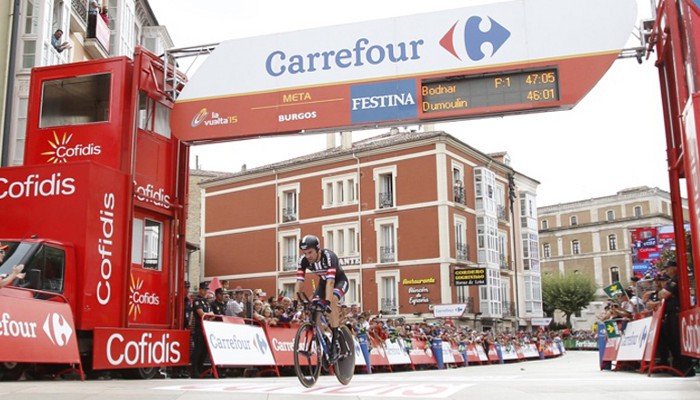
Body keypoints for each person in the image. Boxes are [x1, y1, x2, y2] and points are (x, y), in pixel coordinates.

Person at [294, 234, 349, 361]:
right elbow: (299, 282)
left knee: (333, 301)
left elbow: (331, 282)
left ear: (318, 249)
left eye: (310, 252)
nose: (308, 256)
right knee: (314, 309)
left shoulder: (329, 256)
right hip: (324, 283)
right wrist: (295, 301)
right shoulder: (303, 260)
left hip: (339, 281)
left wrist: (328, 302)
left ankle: (335, 339)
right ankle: (324, 339)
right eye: (305, 253)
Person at [656, 260, 696, 376]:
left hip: (676, 314)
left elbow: (664, 294)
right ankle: (679, 366)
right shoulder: (673, 279)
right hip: (671, 315)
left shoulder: (676, 279)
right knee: (672, 342)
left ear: (674, 268)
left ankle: (683, 367)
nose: (667, 270)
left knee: (676, 342)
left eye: (668, 268)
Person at [190, 281, 212, 378]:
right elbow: (202, 314)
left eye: (206, 289)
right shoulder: (197, 301)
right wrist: (208, 315)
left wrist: (208, 316)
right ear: (200, 290)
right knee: (198, 350)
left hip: (206, 329)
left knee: (204, 351)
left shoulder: (206, 301)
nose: (205, 291)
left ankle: (200, 369)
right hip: (199, 328)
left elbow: (212, 314)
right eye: (204, 289)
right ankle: (194, 370)